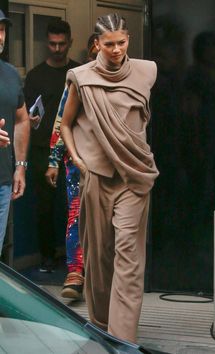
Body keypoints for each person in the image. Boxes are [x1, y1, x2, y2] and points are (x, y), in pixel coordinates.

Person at [61, 13, 158, 343]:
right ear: (97, 44)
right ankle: (102, 327)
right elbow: (65, 123)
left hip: (133, 178)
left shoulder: (147, 71)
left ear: (128, 38)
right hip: (97, 178)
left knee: (129, 254)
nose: (116, 49)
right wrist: (77, 159)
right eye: (109, 44)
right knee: (100, 258)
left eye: (121, 42)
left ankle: (123, 340)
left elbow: (138, 121)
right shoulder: (81, 77)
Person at [45, 35, 98, 299]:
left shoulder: (128, 77)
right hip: (78, 159)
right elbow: (61, 120)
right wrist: (54, 161)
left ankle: (101, 274)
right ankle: (75, 272)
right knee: (77, 213)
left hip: (114, 161)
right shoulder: (77, 79)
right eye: (97, 50)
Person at [24, 19, 79, 272]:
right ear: (47, 43)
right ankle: (47, 256)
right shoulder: (35, 75)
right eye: (53, 44)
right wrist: (31, 120)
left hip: (73, 148)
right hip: (41, 149)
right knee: (44, 206)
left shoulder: (78, 73)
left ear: (69, 43)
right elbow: (23, 115)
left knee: (74, 205)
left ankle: (74, 258)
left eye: (62, 44)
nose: (57, 49)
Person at [0, 9, 30, 257]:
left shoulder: (10, 74)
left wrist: (20, 164)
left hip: (2, 181)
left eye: (0, 30)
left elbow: (21, 118)